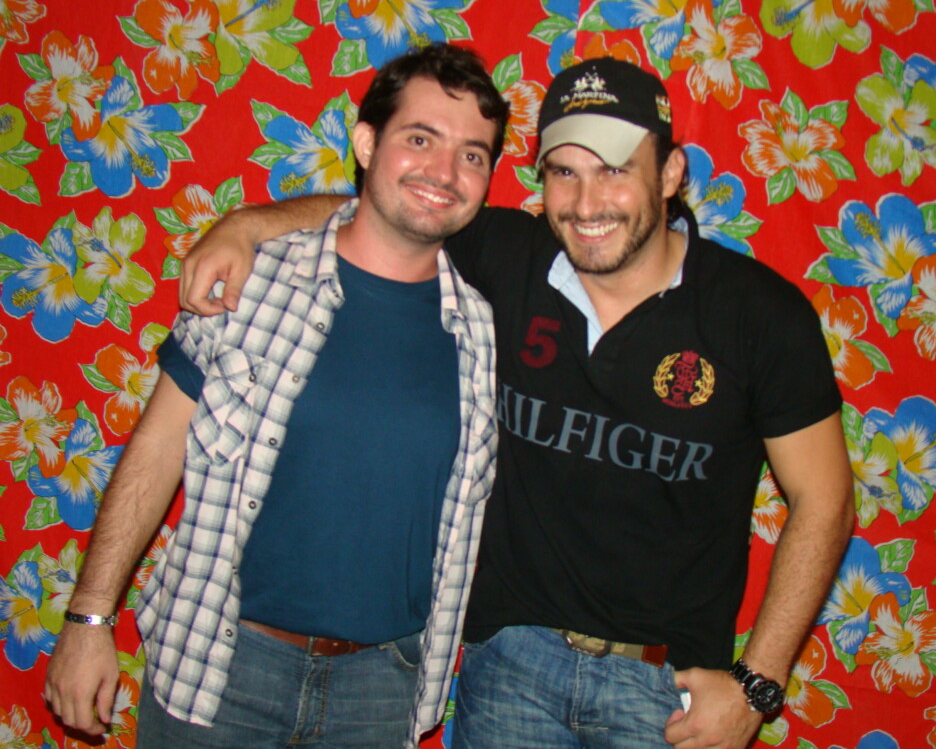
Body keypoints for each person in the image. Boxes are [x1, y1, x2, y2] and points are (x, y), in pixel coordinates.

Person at [179, 56, 855, 748]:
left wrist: (757, 683)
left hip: (667, 691)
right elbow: (388, 214)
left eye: (614, 170)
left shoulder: (759, 315)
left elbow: (825, 500)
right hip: (509, 669)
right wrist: (248, 225)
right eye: (565, 172)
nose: (586, 204)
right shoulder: (506, 258)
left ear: (671, 173)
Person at [44, 43, 508, 749]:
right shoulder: (252, 281)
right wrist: (89, 617)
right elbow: (158, 447)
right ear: (366, 143)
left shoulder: (481, 329)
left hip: (382, 689)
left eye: (472, 154)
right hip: (222, 670)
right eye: (420, 139)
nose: (445, 172)